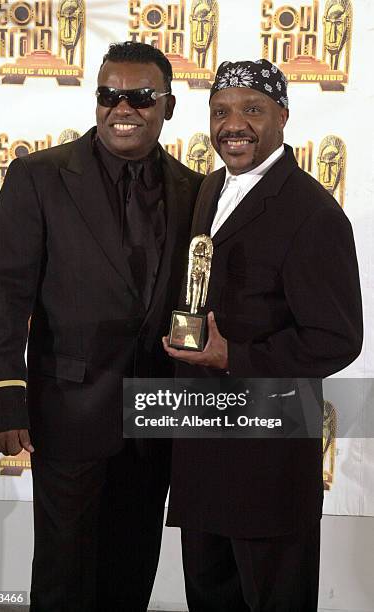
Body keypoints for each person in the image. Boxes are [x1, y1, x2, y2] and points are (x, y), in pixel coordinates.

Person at [0, 41, 203, 611]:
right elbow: (3, 294)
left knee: (133, 568)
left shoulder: (196, 190)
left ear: (169, 107)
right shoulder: (38, 177)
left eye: (140, 97)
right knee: (63, 572)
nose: (121, 108)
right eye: (109, 95)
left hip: (157, 416)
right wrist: (2, 397)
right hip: (67, 408)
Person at [163, 58, 363, 611]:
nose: (235, 124)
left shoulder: (312, 212)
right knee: (209, 595)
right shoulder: (206, 192)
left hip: (268, 460)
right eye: (221, 111)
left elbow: (337, 338)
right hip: (201, 447)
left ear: (282, 116)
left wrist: (235, 356)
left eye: (252, 109)